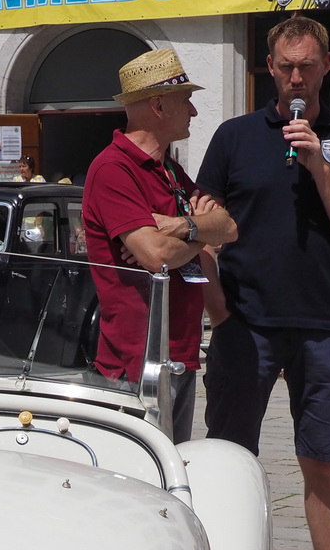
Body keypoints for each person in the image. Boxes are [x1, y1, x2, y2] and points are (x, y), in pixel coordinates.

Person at [194, 17, 330, 550]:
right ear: (268, 69)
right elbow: (205, 228)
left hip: (324, 324)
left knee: (323, 460)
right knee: (229, 459)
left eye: (306, 66)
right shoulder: (233, 137)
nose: (296, 77)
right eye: (284, 67)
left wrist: (317, 165)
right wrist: (219, 310)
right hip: (246, 326)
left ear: (328, 65)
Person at [82, 49, 236, 443]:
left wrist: (183, 227)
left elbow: (229, 227)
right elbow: (156, 256)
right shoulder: (113, 168)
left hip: (176, 358)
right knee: (137, 487)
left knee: (170, 482)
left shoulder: (170, 169)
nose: (194, 112)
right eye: (186, 100)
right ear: (158, 105)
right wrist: (199, 232)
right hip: (135, 367)